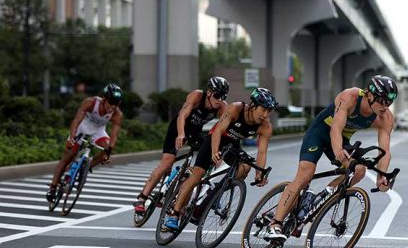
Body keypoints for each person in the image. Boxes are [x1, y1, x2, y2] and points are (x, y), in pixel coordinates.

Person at [266, 75, 398, 242]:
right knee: (305, 175)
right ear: (370, 95)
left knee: (359, 170)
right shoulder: (350, 97)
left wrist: (382, 176)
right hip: (320, 134)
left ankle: (324, 196)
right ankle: (274, 224)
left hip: (342, 140)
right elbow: (336, 128)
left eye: (389, 103)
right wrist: (338, 151)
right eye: (382, 101)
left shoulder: (385, 117)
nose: (386, 107)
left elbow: (385, 150)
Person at [164, 87, 278, 230]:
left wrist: (259, 173)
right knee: (197, 175)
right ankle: (174, 214)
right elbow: (218, 130)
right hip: (215, 139)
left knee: (245, 166)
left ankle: (216, 194)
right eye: (263, 109)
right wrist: (214, 152)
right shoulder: (236, 109)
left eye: (269, 111)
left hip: (232, 144)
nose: (265, 115)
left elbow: (262, 152)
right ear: (253, 106)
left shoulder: (265, 126)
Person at [132, 77, 229, 217]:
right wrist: (181, 134)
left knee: (205, 159)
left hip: (196, 132)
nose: (219, 99)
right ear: (209, 92)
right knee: (167, 163)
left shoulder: (222, 107)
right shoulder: (196, 95)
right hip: (178, 128)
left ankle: (182, 184)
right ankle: (142, 198)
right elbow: (182, 116)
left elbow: (220, 128)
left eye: (223, 96)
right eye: (217, 95)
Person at [46, 83, 124, 202]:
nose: (112, 106)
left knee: (107, 150)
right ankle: (53, 187)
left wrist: (108, 151)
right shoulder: (91, 102)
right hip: (82, 127)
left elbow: (114, 135)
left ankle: (86, 167)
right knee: (67, 157)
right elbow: (77, 120)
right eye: (110, 102)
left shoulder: (117, 114)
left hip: (98, 130)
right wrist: (71, 137)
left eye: (116, 104)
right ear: (104, 99)